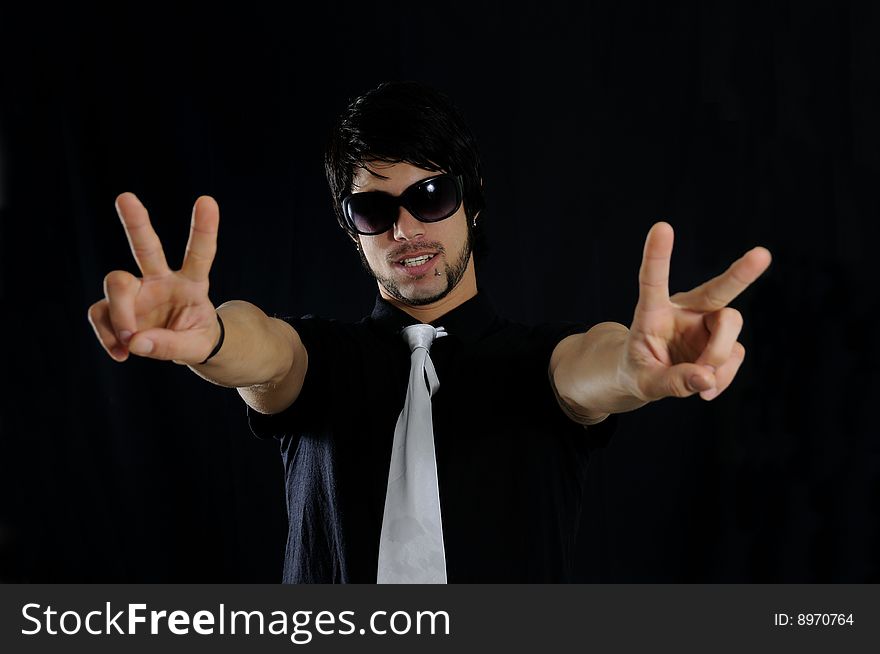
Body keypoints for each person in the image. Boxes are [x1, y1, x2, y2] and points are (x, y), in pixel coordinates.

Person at [87, 81, 772, 583]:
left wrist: (632, 366)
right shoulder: (321, 362)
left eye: (430, 196)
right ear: (349, 230)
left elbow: (589, 370)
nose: (405, 229)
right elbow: (264, 352)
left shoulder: (540, 363)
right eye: (372, 209)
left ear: (471, 204)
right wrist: (207, 339)